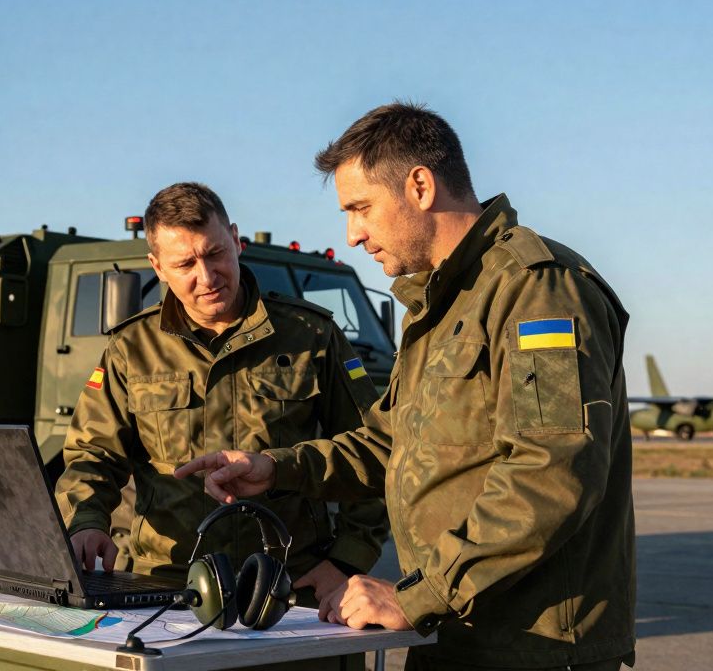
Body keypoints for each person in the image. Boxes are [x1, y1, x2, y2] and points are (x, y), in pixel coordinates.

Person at [175, 103, 635, 670]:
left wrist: (421, 595)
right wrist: (276, 467)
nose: (353, 234)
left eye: (361, 208)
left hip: (531, 646)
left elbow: (553, 471)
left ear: (419, 186)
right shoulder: (440, 306)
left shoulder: (537, 291)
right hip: (454, 633)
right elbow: (390, 443)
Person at [55, 182, 389, 611]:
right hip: (167, 587)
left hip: (288, 586)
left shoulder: (311, 336)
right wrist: (86, 521)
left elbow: (374, 453)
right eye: (185, 264)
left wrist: (346, 561)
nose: (207, 277)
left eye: (215, 253)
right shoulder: (132, 348)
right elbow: (92, 454)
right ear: (157, 266)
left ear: (235, 238)